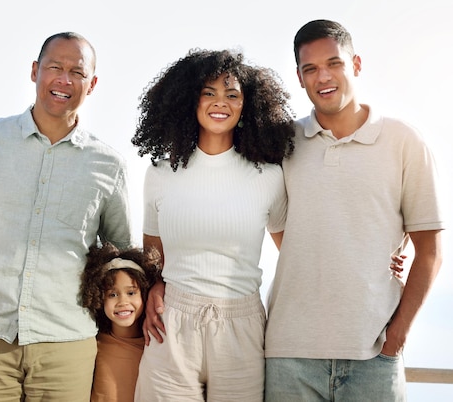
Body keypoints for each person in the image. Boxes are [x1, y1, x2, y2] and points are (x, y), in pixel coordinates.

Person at [264, 19, 444, 401]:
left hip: (374, 355)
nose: (323, 77)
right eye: (310, 69)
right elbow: (284, 230)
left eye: (334, 63)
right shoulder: (283, 144)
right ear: (299, 77)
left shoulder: (403, 141)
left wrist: (398, 336)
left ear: (356, 65)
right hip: (288, 354)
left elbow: (430, 249)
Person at [0, 32, 134, 401]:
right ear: (34, 72)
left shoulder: (109, 165)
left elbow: (119, 253)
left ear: (92, 84)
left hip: (67, 342)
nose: (64, 79)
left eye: (77, 72)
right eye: (54, 67)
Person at [132, 48, 295, 401]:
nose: (220, 102)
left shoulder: (268, 176)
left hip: (243, 327)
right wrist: (155, 287)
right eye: (209, 93)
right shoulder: (161, 174)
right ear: (190, 100)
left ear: (246, 106)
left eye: (232, 94)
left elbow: (293, 252)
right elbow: (152, 253)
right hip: (170, 325)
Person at [80, 242, 161, 402]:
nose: (123, 301)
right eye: (112, 295)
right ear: (99, 297)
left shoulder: (155, 345)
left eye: (131, 292)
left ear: (144, 294)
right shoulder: (93, 345)